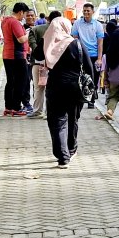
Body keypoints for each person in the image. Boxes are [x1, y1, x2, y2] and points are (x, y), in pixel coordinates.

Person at [44, 17, 93, 169]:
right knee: (73, 118)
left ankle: (62, 157)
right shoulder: (76, 43)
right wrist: (93, 90)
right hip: (75, 88)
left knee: (57, 121)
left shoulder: (46, 42)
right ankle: (71, 149)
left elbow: (37, 57)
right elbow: (89, 67)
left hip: (55, 87)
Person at [27, 10, 61, 119]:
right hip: (54, 64)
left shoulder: (35, 29)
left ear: (48, 19)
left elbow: (33, 46)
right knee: (52, 88)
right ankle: (50, 112)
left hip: (38, 63)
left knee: (38, 87)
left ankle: (38, 111)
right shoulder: (61, 31)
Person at [71, 3, 104, 108]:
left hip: (94, 55)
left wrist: (99, 58)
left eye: (88, 11)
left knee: (94, 77)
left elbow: (100, 43)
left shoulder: (98, 25)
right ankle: (81, 97)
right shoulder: (77, 23)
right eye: (84, 10)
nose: (86, 12)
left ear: (92, 12)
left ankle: (92, 100)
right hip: (81, 55)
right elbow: (74, 39)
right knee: (81, 77)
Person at [1, 2, 30, 117]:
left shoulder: (5, 20)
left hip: (7, 54)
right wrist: (29, 33)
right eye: (24, 14)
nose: (24, 17)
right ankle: (16, 107)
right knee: (20, 81)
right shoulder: (15, 22)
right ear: (20, 12)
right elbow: (21, 39)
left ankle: (8, 106)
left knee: (10, 82)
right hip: (16, 55)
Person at [22, 9, 37, 114]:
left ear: (35, 17)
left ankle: (37, 105)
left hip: (37, 59)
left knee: (37, 84)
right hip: (25, 58)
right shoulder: (21, 28)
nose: (30, 17)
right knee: (26, 82)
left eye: (32, 15)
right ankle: (26, 104)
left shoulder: (39, 28)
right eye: (28, 16)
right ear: (24, 17)